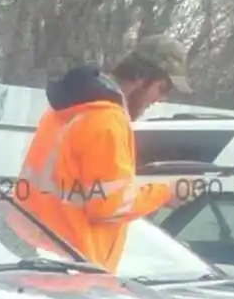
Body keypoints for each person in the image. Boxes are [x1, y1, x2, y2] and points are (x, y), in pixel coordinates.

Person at [18, 35, 194, 272]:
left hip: (36, 259)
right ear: (140, 77)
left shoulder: (65, 110)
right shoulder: (106, 120)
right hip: (73, 272)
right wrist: (166, 192)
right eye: (161, 88)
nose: (161, 99)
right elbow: (109, 205)